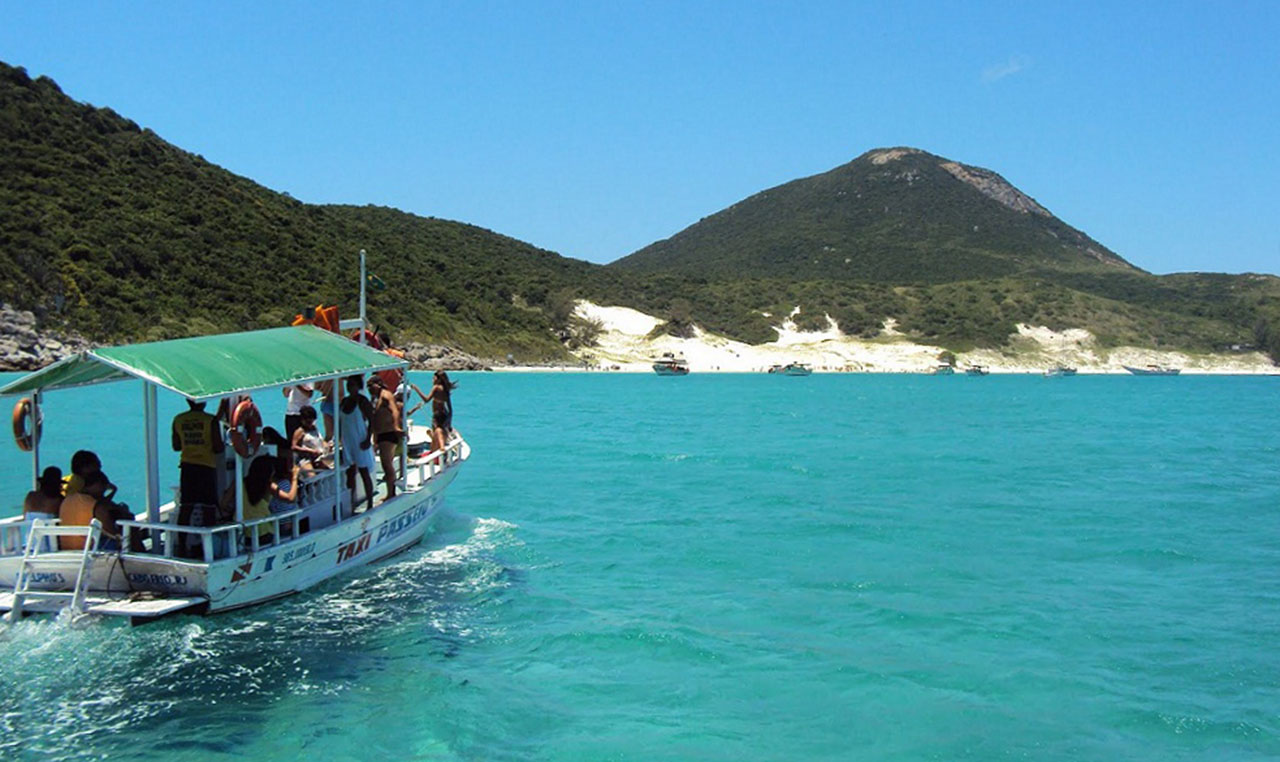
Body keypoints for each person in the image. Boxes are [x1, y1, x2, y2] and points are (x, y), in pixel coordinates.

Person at [172, 397, 223, 508]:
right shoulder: (211, 420)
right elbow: (219, 448)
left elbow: (176, 446)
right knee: (209, 506)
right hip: (206, 466)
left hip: (187, 466)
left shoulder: (179, 419)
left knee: (186, 505)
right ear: (204, 402)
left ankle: (183, 526)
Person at [58, 471, 124, 551]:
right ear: (98, 485)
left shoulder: (67, 500)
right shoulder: (95, 506)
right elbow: (111, 532)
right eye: (104, 488)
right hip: (87, 549)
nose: (103, 492)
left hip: (66, 548)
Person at [338, 375, 375, 515]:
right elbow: (341, 421)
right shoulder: (344, 402)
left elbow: (372, 420)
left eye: (352, 384)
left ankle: (370, 502)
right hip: (347, 441)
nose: (349, 387)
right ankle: (351, 503)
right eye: (349, 384)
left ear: (358, 386)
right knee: (350, 473)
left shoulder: (362, 401)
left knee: (364, 472)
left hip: (360, 440)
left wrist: (368, 439)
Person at [221, 456, 277, 546]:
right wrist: (294, 477)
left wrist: (234, 510)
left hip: (244, 533)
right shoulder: (269, 485)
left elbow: (223, 503)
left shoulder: (239, 482)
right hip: (264, 532)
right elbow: (290, 498)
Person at [367, 375, 403, 500]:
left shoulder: (386, 395)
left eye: (370, 386)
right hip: (381, 435)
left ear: (378, 384)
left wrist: (397, 426)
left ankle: (391, 493)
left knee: (387, 464)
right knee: (386, 463)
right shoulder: (376, 398)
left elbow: (394, 411)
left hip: (388, 433)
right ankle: (390, 491)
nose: (368, 389)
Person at [427, 370, 457, 460]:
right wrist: (449, 422)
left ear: (438, 379)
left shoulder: (436, 388)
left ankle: (438, 452)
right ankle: (441, 454)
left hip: (437, 415)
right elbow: (450, 409)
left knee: (438, 432)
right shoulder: (445, 389)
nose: (432, 379)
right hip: (444, 415)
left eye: (434, 378)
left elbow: (426, 399)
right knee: (441, 432)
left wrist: (416, 389)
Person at [291, 405, 329, 469]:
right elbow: (294, 447)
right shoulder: (300, 431)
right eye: (307, 421)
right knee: (311, 474)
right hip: (305, 459)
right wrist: (310, 451)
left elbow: (321, 441)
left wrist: (327, 446)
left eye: (311, 421)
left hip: (319, 458)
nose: (309, 423)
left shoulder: (314, 428)